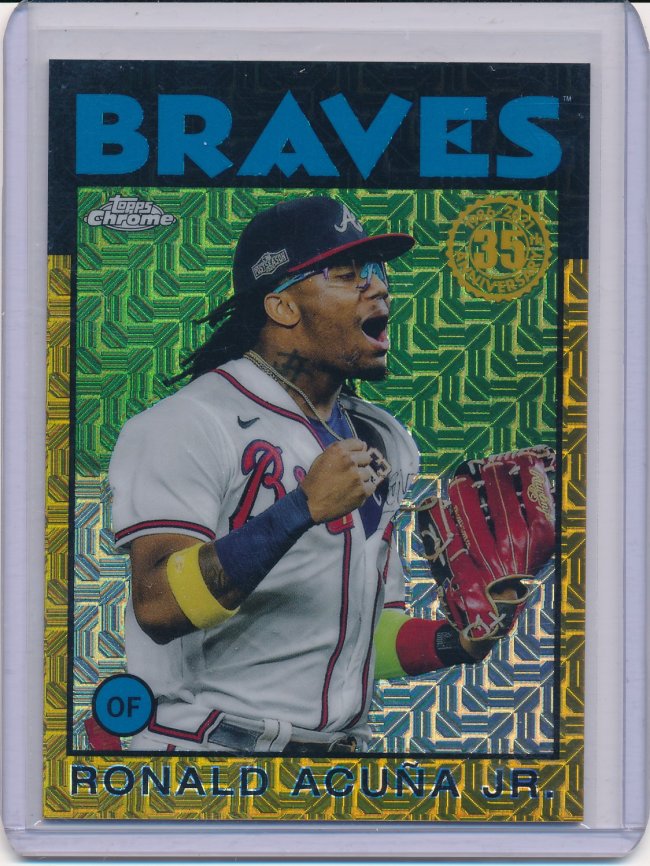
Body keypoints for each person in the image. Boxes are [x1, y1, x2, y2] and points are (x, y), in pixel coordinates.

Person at [109, 195, 504, 755]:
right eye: (346, 274)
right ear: (282, 306)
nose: (378, 286)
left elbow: (359, 640)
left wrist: (455, 641)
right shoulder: (187, 423)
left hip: (334, 764)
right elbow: (158, 606)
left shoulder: (383, 439)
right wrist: (299, 509)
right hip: (203, 757)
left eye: (376, 271)